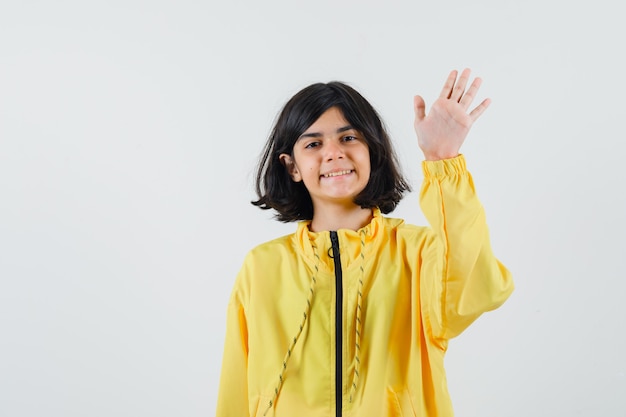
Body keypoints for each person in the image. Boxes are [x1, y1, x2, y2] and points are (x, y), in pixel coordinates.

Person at [216, 69, 514, 417]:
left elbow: (477, 290)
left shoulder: (418, 253)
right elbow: (236, 389)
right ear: (292, 166)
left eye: (348, 138)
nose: (333, 154)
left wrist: (442, 160)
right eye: (313, 144)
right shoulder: (262, 267)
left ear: (372, 150)